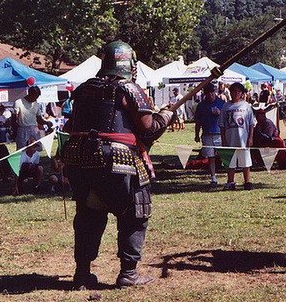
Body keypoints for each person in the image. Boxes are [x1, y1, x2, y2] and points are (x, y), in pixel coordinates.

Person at [61, 41, 174, 289]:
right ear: (127, 63)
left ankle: (82, 274)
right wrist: (165, 116)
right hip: (119, 162)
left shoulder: (82, 90)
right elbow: (148, 131)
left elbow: (71, 127)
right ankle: (128, 273)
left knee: (88, 216)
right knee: (135, 212)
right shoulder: (129, 90)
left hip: (81, 162)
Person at [218, 82, 255, 190]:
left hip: (243, 138)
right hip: (230, 138)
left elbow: (251, 123)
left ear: (242, 93)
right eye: (234, 91)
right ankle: (230, 181)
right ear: (230, 92)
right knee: (231, 162)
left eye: (239, 91)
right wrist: (223, 139)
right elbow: (222, 124)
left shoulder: (246, 106)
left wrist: (250, 137)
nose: (236, 93)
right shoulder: (226, 106)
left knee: (245, 161)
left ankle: (247, 181)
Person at [194, 83, 225, 185]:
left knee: (224, 155)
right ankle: (213, 178)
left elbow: (227, 118)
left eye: (212, 92)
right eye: (208, 93)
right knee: (210, 157)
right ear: (205, 93)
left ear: (214, 92)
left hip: (219, 133)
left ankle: (230, 177)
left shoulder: (221, 103)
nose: (210, 94)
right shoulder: (201, 105)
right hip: (207, 133)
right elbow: (197, 121)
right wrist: (196, 135)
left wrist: (220, 113)